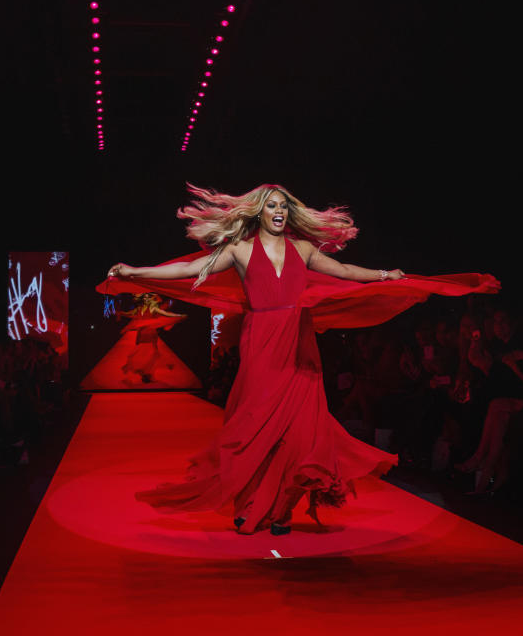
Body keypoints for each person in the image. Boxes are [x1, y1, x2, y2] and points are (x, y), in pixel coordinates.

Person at [106, 183, 500, 535]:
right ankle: (247, 505)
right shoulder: (240, 249)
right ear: (258, 212)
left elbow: (343, 269)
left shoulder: (303, 248)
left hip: (297, 342)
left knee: (298, 433)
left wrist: (383, 275)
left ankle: (280, 510)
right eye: (272, 206)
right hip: (261, 343)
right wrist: (136, 271)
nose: (278, 211)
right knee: (255, 429)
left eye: (283, 206)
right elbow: (193, 267)